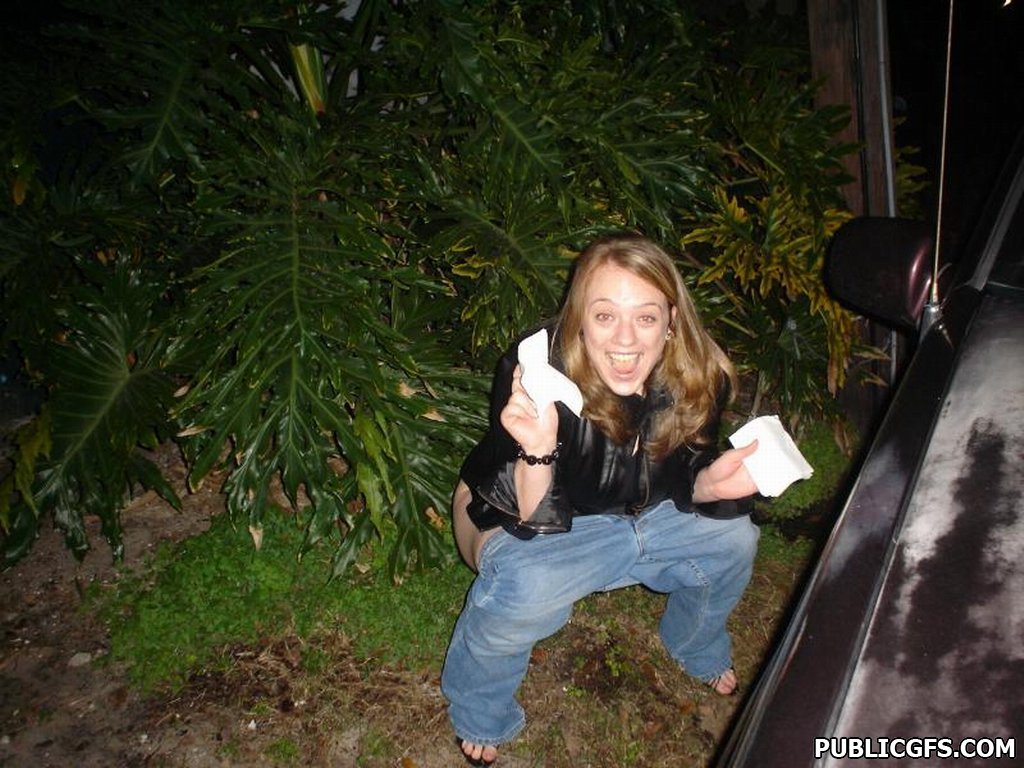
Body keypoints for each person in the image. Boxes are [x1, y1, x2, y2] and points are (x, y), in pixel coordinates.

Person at [442, 234, 760, 765]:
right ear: (579, 319)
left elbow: (681, 473)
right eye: (606, 315)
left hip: (638, 518)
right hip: (518, 515)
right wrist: (538, 449)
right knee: (524, 584)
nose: (626, 339)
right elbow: (526, 516)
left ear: (671, 320)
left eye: (646, 317)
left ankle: (693, 641)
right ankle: (481, 707)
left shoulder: (695, 375)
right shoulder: (535, 373)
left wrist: (710, 484)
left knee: (734, 537)